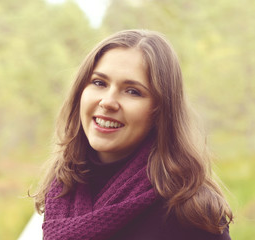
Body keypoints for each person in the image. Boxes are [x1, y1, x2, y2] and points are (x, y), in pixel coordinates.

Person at [33, 29, 233, 240]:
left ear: (160, 111)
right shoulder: (62, 190)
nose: (108, 102)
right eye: (99, 83)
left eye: (132, 91)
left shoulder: (189, 212)